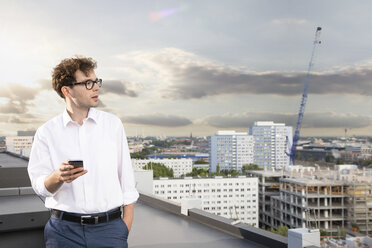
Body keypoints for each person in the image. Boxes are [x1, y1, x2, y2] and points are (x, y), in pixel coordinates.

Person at [28, 56, 139, 248]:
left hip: (110, 230)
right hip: (63, 233)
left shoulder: (113, 125)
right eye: (88, 83)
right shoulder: (46, 133)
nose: (96, 88)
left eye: (96, 82)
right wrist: (57, 177)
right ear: (66, 90)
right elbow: (40, 187)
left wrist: (123, 228)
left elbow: (127, 181)